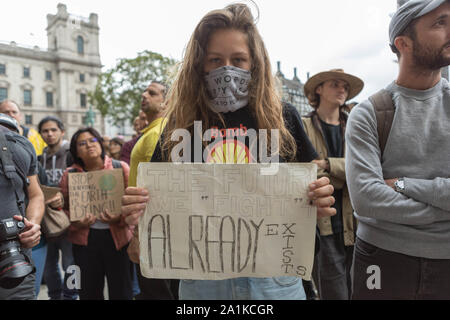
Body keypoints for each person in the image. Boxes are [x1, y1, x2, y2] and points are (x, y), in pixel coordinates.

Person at [122, 3, 336, 300]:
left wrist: (319, 194)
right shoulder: (179, 125)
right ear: (200, 64)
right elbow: (157, 197)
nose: (226, 69)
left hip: (274, 280)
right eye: (215, 59)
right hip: (202, 282)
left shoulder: (283, 117)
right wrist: (138, 210)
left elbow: (312, 177)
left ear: (255, 63)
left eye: (238, 59)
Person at [346, 0, 450, 300]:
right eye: (439, 23)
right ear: (403, 43)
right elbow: (367, 199)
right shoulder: (369, 113)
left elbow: (380, 198)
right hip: (382, 260)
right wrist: (443, 207)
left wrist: (404, 185)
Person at [302, 69, 363, 300]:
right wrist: (345, 171)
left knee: (358, 290)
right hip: (322, 225)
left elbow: (365, 169)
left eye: (345, 87)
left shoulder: (357, 125)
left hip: (355, 224)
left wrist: (327, 164)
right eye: (335, 84)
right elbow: (304, 172)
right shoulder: (304, 125)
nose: (341, 90)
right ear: (319, 89)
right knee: (334, 293)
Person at [59, 128, 134, 300]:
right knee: (89, 291)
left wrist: (120, 217)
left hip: (118, 239)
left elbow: (132, 204)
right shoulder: (69, 174)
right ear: (76, 150)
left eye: (92, 141)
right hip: (85, 242)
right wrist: (75, 222)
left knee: (122, 290)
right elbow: (61, 208)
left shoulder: (120, 168)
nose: (89, 146)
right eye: (82, 143)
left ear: (100, 143)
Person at [126, 81, 176, 300]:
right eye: (144, 90)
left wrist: (138, 236)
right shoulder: (150, 132)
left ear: (166, 102)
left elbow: (157, 191)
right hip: (151, 229)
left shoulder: (160, 134)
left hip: (154, 232)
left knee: (157, 293)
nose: (143, 94)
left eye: (152, 93)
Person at [0, 113, 45, 300]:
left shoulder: (22, 145)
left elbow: (36, 194)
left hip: (15, 257)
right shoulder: (23, 144)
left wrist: (32, 226)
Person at [37, 116, 78, 300]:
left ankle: (71, 295)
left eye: (53, 130)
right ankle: (55, 296)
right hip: (46, 220)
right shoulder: (38, 159)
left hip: (69, 218)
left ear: (62, 131)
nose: (50, 134)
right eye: (45, 131)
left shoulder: (73, 154)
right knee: (49, 263)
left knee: (71, 263)